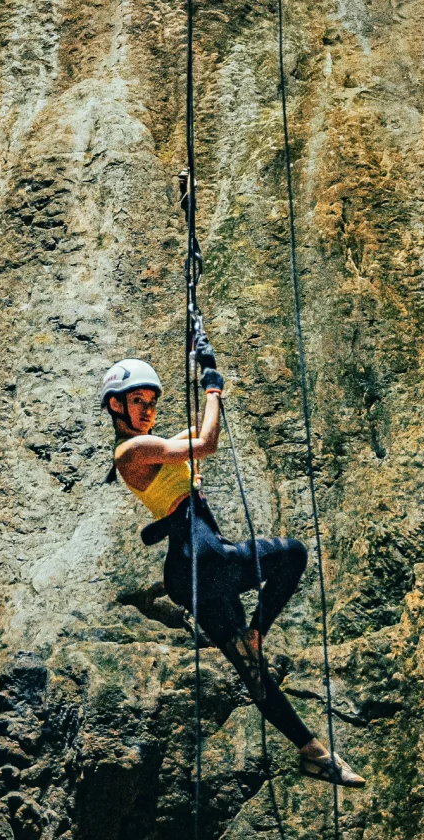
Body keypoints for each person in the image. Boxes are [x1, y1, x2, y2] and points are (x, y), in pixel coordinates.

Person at [101, 335, 364, 787]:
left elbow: (191, 438)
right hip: (204, 558)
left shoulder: (154, 445)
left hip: (191, 570)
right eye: (136, 401)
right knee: (293, 554)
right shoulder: (131, 451)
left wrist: (203, 364)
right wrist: (213, 389)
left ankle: (313, 753)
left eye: (151, 401)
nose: (146, 409)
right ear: (115, 407)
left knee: (252, 674)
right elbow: (205, 442)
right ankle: (258, 631)